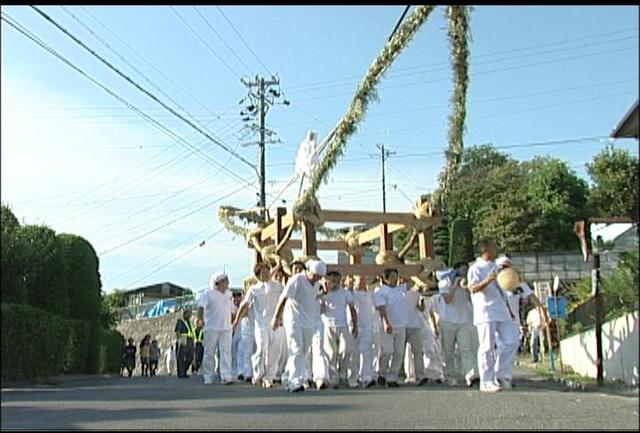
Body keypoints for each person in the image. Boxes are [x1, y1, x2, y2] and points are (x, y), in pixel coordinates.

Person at [467, 238, 519, 393]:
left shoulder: (495, 266)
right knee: (487, 347)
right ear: (486, 250)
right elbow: (472, 288)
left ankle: (502, 375)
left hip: (501, 310)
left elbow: (505, 286)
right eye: (493, 246)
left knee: (512, 341)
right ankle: (486, 381)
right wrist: (487, 281)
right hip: (485, 311)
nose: (496, 248)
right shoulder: (475, 268)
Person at [494, 255, 551, 387]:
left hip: (513, 322)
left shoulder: (520, 285)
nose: (505, 269)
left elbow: (533, 299)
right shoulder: (494, 284)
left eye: (507, 266)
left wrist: (544, 315)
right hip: (496, 320)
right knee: (498, 347)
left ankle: (504, 376)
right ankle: (495, 375)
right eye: (502, 267)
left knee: (512, 345)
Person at [271, 259, 327, 393]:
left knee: (303, 350)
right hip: (293, 319)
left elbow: (311, 297)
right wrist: (276, 317)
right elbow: (284, 297)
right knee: (296, 348)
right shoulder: (297, 279)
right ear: (309, 271)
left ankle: (288, 376)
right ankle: (295, 381)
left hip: (308, 321)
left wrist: (323, 293)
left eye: (319, 277)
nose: (316, 279)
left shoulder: (316, 284)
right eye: (315, 276)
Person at [233, 263, 285, 388]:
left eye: (267, 270)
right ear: (257, 275)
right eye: (262, 272)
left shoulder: (278, 286)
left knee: (275, 351)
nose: (266, 273)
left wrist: (282, 317)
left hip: (276, 323)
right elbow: (244, 305)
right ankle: (258, 375)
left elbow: (285, 300)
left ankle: (269, 378)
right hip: (261, 324)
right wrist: (236, 321)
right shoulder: (254, 289)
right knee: (261, 348)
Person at [436, 262, 478, 387]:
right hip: (447, 321)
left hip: (463, 321)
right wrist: (455, 285)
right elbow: (447, 299)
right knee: (448, 351)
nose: (465, 272)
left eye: (466, 270)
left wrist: (468, 288)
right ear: (456, 270)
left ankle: (470, 375)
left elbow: (472, 299)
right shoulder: (444, 282)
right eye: (463, 270)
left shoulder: (468, 283)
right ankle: (450, 376)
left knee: (466, 350)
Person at [321, 270, 358, 389]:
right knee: (331, 352)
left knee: (346, 349)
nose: (335, 283)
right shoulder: (322, 293)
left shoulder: (345, 292)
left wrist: (355, 325)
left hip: (343, 324)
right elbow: (319, 309)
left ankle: (343, 374)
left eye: (337, 281)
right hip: (328, 325)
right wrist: (324, 293)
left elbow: (352, 309)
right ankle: (333, 377)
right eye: (332, 281)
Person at [199, 272, 236, 385]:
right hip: (211, 327)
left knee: (226, 352)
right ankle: (208, 376)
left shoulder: (229, 294)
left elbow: (232, 310)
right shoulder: (208, 293)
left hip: (226, 328)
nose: (228, 283)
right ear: (218, 283)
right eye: (226, 281)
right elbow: (201, 307)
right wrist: (200, 319)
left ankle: (226, 376)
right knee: (209, 353)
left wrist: (234, 321)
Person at [374, 268, 407, 388]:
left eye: (396, 276)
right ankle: (381, 374)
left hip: (401, 324)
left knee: (399, 352)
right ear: (386, 278)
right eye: (392, 276)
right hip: (388, 325)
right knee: (387, 350)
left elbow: (414, 283)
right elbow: (381, 308)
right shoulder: (381, 292)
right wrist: (386, 322)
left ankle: (392, 377)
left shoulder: (401, 289)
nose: (395, 279)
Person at [349, 275, 377, 388]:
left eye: (364, 280)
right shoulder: (352, 294)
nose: (362, 282)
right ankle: (353, 378)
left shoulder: (370, 294)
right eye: (360, 280)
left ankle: (367, 377)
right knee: (354, 353)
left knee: (367, 352)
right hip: (354, 326)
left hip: (367, 327)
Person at [402, 278, 429, 386]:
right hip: (402, 325)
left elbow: (420, 308)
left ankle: (420, 375)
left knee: (417, 352)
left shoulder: (415, 293)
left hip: (414, 325)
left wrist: (421, 302)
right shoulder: (398, 292)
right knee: (400, 353)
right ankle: (402, 375)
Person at [174, 309, 194, 378]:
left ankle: (184, 370)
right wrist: (179, 340)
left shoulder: (189, 322)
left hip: (190, 340)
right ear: (185, 314)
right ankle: (181, 373)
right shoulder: (180, 321)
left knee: (190, 356)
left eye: (190, 314)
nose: (190, 315)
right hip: (183, 339)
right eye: (189, 314)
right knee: (181, 357)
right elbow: (178, 331)